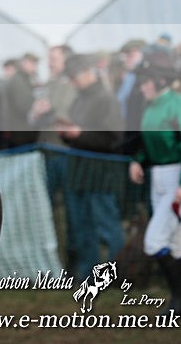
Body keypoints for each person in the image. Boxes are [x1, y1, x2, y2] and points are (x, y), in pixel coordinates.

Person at [129, 49, 181, 316]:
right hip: (160, 178)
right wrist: (138, 160)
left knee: (154, 242)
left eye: (145, 79)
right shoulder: (152, 107)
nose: (141, 85)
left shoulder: (180, 105)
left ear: (160, 80)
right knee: (177, 242)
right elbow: (149, 143)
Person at [58, 54, 125, 280]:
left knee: (106, 223)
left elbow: (114, 138)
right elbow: (80, 135)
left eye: (75, 77)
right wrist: (68, 135)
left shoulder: (106, 99)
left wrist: (80, 134)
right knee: (82, 224)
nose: (73, 82)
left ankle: (117, 273)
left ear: (88, 73)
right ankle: (88, 273)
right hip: (80, 169)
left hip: (102, 171)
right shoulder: (79, 99)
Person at [29, 45, 78, 270]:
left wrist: (49, 111)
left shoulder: (72, 85)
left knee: (71, 209)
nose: (50, 62)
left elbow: (67, 116)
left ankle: (74, 260)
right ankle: (54, 261)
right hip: (47, 152)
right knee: (47, 209)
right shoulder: (46, 85)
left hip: (66, 153)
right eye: (49, 58)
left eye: (54, 58)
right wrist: (38, 113)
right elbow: (32, 119)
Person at [5, 52, 40, 148]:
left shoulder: (26, 79)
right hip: (21, 130)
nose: (34, 67)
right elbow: (24, 105)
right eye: (32, 64)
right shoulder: (18, 80)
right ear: (24, 63)